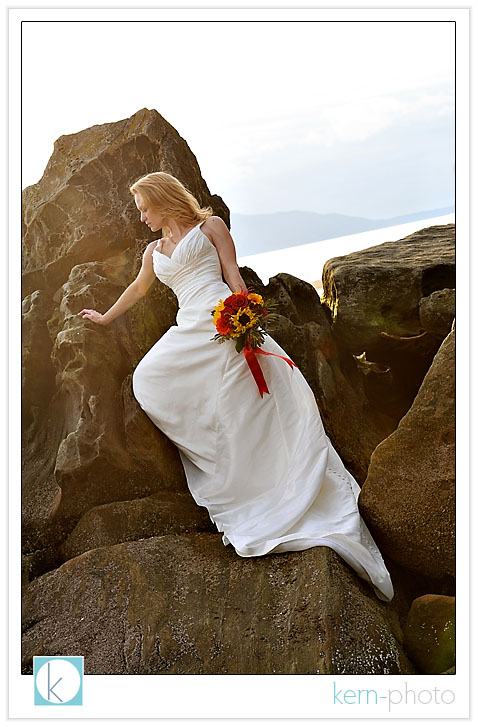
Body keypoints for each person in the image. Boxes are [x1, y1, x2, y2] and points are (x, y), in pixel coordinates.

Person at [78, 171, 394, 602]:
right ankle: (213, 452)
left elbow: (232, 274)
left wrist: (245, 316)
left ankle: (262, 472)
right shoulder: (153, 251)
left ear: (163, 201)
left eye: (144, 208)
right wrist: (104, 317)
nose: (142, 218)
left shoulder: (210, 227)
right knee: (148, 379)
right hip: (187, 323)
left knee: (245, 399)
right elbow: (137, 288)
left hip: (221, 317)